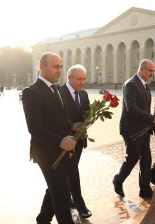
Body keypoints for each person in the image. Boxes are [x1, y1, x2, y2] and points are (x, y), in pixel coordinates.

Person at [22, 52, 76, 224]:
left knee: (56, 188)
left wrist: (68, 145)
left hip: (63, 150)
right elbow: (34, 127)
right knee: (61, 191)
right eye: (55, 66)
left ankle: (43, 219)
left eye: (61, 66)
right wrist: (60, 141)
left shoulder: (59, 89)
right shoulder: (32, 92)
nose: (59, 70)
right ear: (42, 67)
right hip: (45, 151)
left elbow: (64, 120)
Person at [113, 59, 155, 198]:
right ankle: (118, 180)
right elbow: (131, 108)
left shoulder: (145, 86)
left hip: (144, 129)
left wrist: (154, 119)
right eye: (150, 71)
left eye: (153, 71)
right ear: (141, 69)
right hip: (132, 130)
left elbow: (145, 108)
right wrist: (151, 118)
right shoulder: (131, 84)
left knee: (146, 159)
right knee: (132, 158)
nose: (152, 74)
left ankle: (145, 188)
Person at [62, 64, 92, 219]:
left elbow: (86, 113)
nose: (82, 82)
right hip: (64, 141)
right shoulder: (59, 93)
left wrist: (89, 119)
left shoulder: (84, 94)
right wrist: (71, 126)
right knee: (72, 171)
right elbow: (53, 120)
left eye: (84, 79)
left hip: (79, 141)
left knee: (69, 171)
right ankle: (80, 206)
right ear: (69, 78)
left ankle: (67, 199)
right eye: (79, 79)